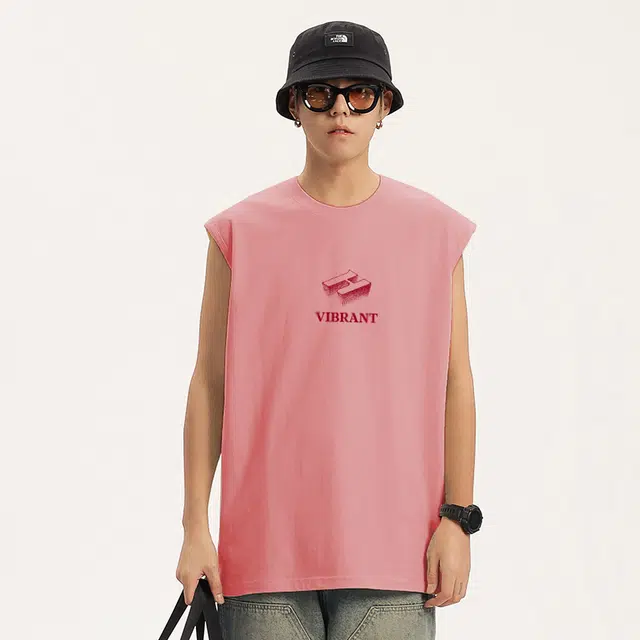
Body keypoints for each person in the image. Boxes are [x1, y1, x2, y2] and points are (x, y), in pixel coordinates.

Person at [176, 20, 482, 640]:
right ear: (294, 106)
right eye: (320, 93)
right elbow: (209, 383)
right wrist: (194, 528)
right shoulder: (240, 233)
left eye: (359, 93)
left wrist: (457, 519)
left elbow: (455, 381)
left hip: (397, 552)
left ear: (384, 107)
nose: (340, 109)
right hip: (262, 556)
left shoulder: (434, 231)